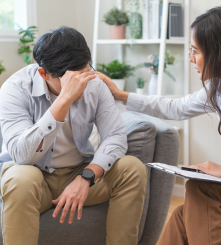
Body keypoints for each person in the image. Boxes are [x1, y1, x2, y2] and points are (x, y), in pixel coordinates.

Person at [97, 6, 221, 245]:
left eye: (195, 50)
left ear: (219, 52)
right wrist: (121, 95)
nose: (191, 57)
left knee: (184, 217)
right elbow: (175, 108)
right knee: (197, 188)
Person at [0, 27, 147, 245]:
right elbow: (22, 155)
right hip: (32, 176)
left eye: (85, 73)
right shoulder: (15, 88)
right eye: (71, 80)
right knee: (21, 178)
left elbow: (115, 136)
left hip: (78, 172)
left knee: (132, 168)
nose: (82, 84)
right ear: (44, 73)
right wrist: (62, 102)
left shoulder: (94, 83)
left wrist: (86, 177)